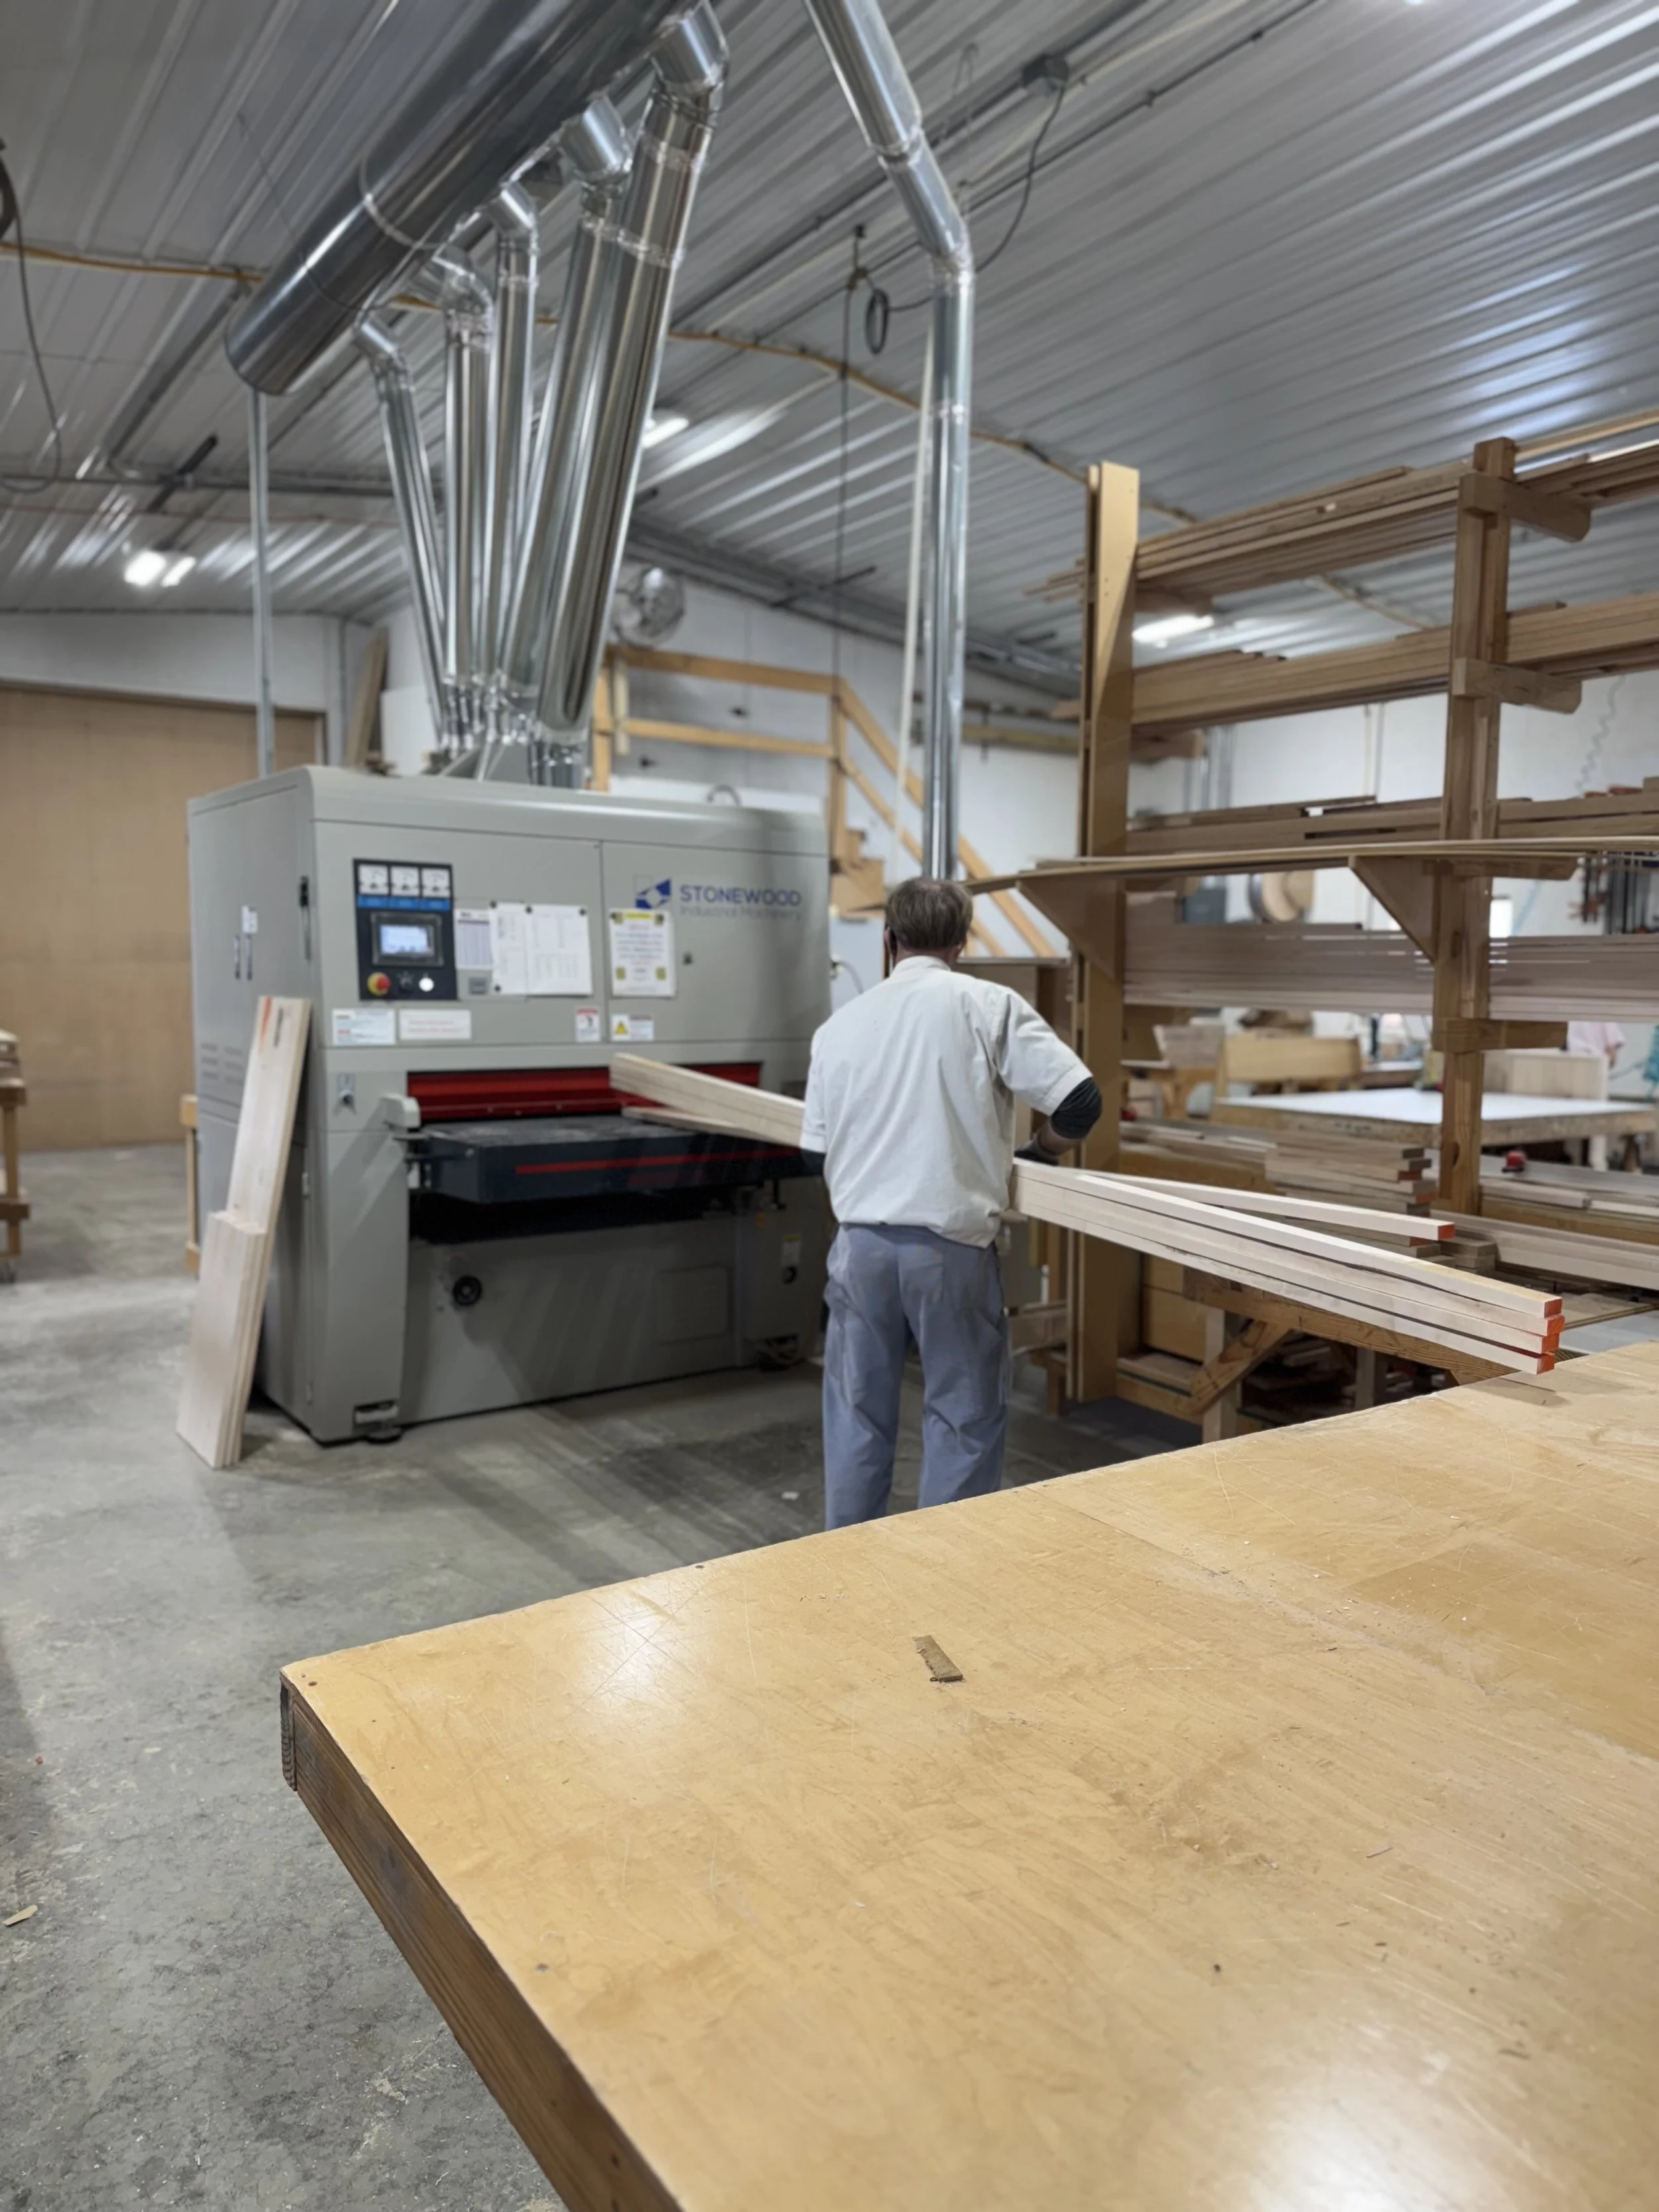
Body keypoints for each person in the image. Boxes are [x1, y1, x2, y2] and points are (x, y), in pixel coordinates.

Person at [801, 876, 1102, 1528]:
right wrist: (1040, 1152)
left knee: (856, 1413)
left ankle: (843, 1562)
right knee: (962, 1417)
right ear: (962, 943)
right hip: (949, 1250)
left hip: (859, 1250)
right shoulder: (986, 1006)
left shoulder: (839, 1026)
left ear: (888, 941)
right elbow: (1081, 1103)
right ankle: (940, 1570)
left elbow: (811, 1154)